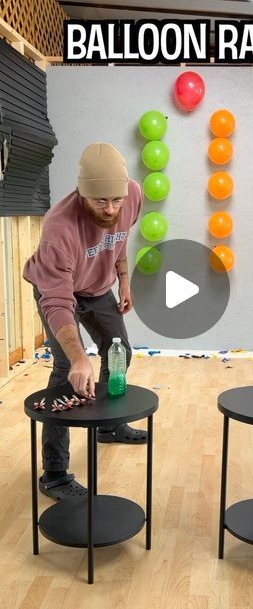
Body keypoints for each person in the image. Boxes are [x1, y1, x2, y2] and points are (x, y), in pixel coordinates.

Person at [23, 142, 146, 501]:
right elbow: (58, 301)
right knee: (65, 370)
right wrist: (79, 358)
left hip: (97, 287)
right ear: (81, 193)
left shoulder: (132, 195)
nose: (110, 210)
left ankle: (107, 426)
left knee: (119, 351)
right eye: (100, 202)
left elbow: (119, 238)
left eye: (116, 201)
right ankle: (55, 474)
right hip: (57, 291)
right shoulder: (59, 227)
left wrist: (123, 278)